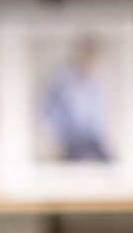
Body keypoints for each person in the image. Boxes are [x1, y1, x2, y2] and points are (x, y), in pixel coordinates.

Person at [39, 35, 112, 163]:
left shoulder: (96, 83)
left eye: (93, 57)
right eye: (88, 56)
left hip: (91, 141)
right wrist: (54, 142)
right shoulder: (62, 81)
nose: (91, 61)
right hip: (70, 142)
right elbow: (48, 113)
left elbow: (96, 121)